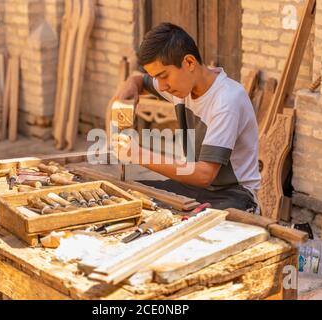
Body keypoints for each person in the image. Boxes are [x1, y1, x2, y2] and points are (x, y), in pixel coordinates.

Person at [111, 22, 260, 212]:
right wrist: (131, 83)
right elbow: (141, 81)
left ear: (189, 62)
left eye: (164, 76)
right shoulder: (181, 85)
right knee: (126, 195)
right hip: (192, 187)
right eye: (157, 78)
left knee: (191, 228)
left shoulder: (227, 100)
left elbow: (205, 175)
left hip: (233, 194)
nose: (162, 86)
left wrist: (138, 154)